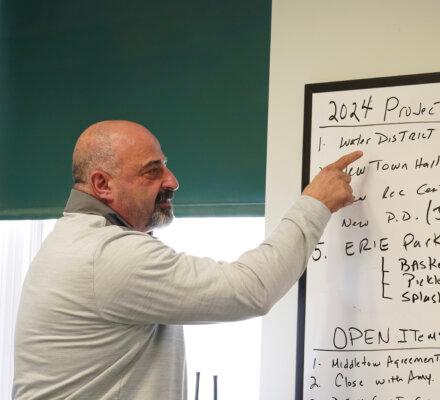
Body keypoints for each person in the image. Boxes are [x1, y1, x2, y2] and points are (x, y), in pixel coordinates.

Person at [12, 120, 362, 399]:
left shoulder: (74, 239)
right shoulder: (107, 255)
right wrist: (316, 204)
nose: (173, 181)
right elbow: (251, 289)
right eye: (152, 171)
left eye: (165, 166)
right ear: (102, 184)